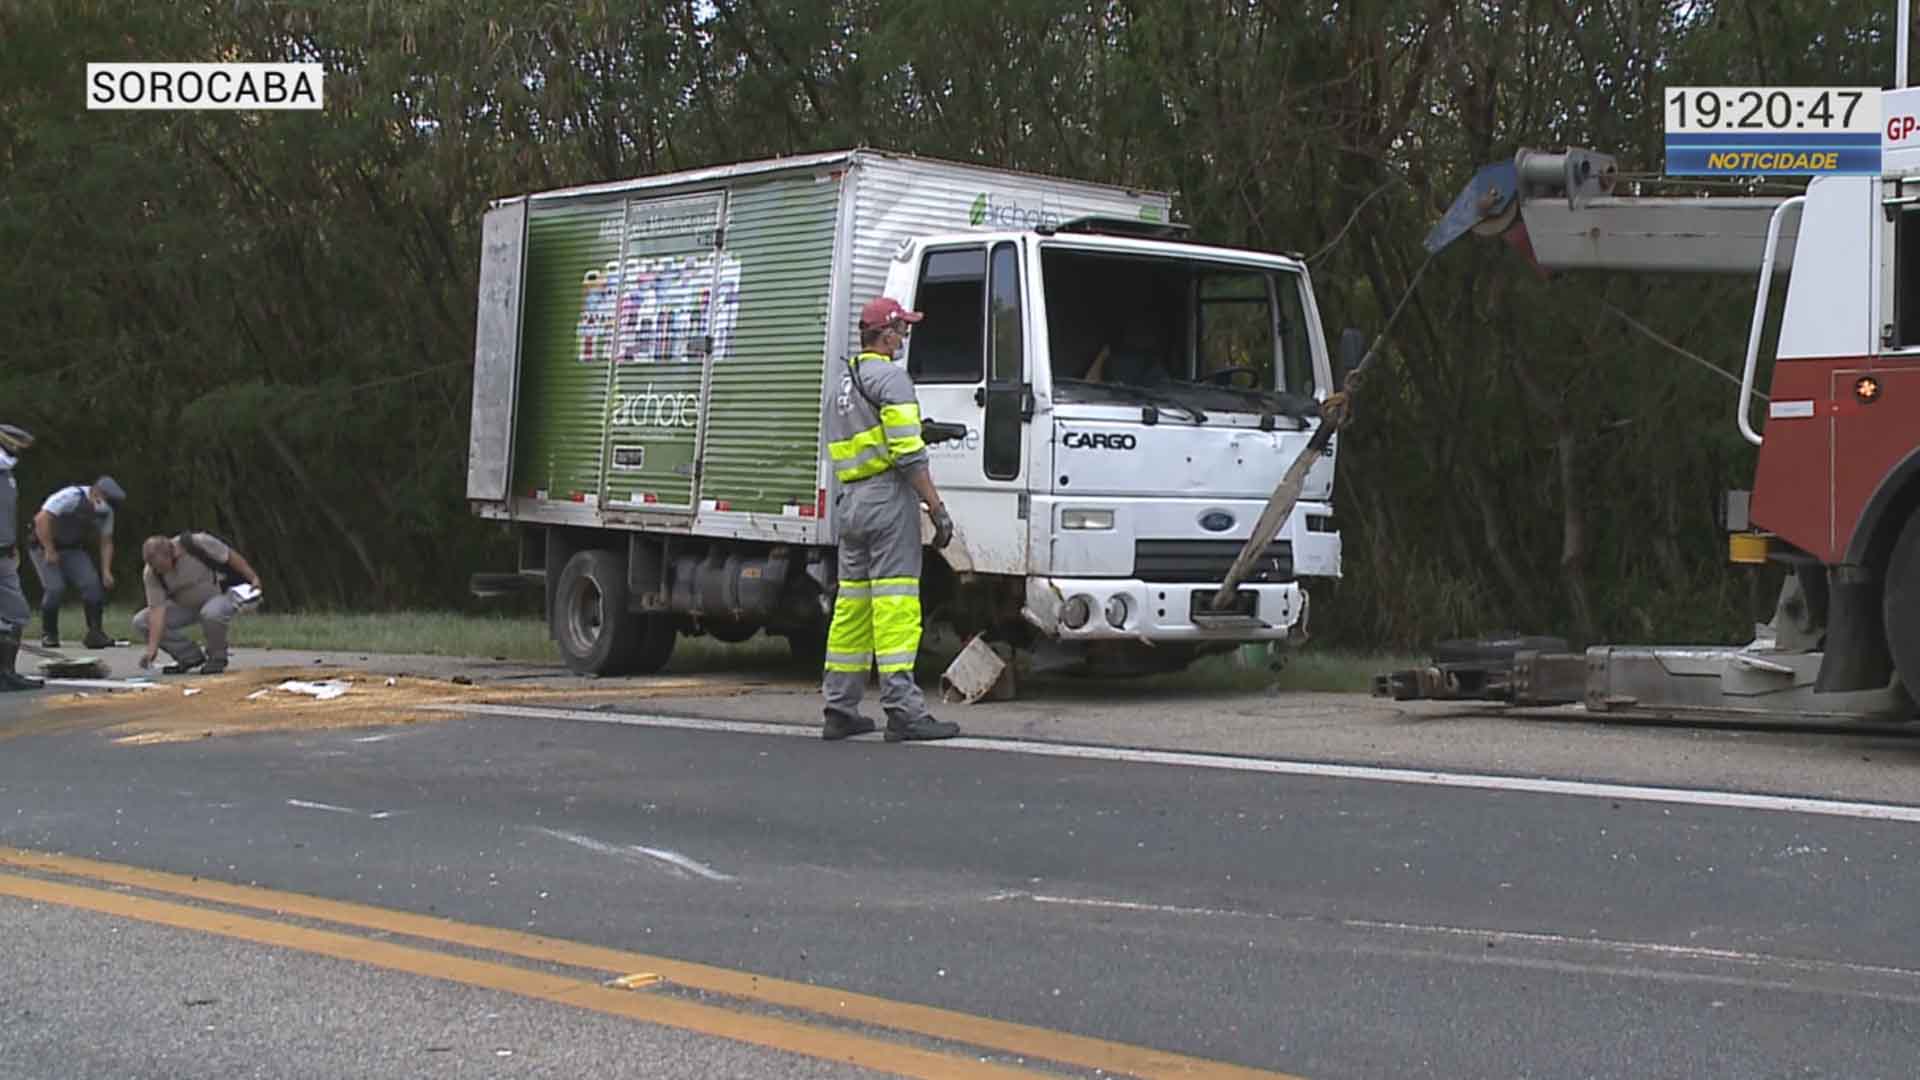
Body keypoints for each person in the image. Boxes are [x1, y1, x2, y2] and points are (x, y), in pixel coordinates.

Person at [819, 296, 962, 743]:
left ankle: (839, 709)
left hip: (852, 502)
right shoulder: (892, 378)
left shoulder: (844, 384)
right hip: (887, 502)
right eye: (902, 331)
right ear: (886, 334)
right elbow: (907, 455)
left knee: (852, 610)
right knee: (897, 605)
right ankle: (903, 711)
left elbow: (871, 439)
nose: (904, 339)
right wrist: (937, 509)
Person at [133, 532, 263, 676]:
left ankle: (217, 657)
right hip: (186, 606)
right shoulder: (152, 573)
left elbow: (231, 557)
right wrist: (152, 649)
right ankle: (189, 656)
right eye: (154, 567)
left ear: (173, 554)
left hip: (220, 594)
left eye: (161, 566)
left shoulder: (198, 543)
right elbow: (157, 611)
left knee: (211, 613)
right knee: (142, 621)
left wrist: (253, 578)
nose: (158, 570)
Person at [31, 474, 124, 649]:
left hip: (72, 548)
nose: (107, 506)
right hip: (43, 545)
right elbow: (41, 519)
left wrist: (106, 571)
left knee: (92, 585)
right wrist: (49, 550)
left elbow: (106, 541)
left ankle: (95, 633)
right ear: (96, 493)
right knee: (55, 588)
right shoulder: (70, 497)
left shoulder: (106, 511)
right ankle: (49, 634)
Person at [0, 424, 41, 692]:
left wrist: (12, 543)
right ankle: (5, 674)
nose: (17, 448)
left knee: (13, 615)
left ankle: (6, 672)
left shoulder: (7, 475)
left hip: (4, 552)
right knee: (13, 614)